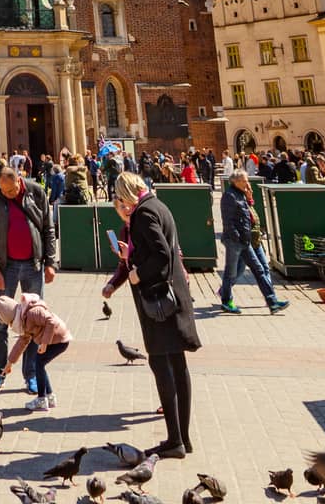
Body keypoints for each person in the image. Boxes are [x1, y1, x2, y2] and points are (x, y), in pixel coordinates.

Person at [113, 171, 199, 459]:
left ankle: (175, 439)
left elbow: (160, 254)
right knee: (177, 364)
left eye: (121, 198)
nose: (122, 205)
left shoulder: (144, 213)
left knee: (162, 364)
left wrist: (136, 273)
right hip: (174, 295)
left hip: (159, 300)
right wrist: (131, 257)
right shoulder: (159, 206)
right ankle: (181, 439)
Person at [0, 164, 57, 395]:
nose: (8, 194)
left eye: (11, 191)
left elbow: (48, 228)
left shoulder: (36, 192)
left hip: (34, 265)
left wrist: (51, 262)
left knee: (35, 322)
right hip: (7, 267)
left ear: (19, 181)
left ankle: (32, 374)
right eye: (3, 191)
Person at [218, 169, 288, 316]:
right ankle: (226, 301)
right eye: (244, 181)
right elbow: (228, 221)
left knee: (259, 270)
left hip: (245, 241)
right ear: (236, 181)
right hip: (234, 242)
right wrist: (237, 237)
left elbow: (246, 215)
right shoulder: (229, 196)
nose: (247, 183)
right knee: (231, 273)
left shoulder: (240, 194)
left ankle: (272, 302)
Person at [0, 290, 72, 413]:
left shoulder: (32, 312)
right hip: (56, 340)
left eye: (10, 322)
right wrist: (9, 364)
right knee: (40, 364)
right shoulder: (24, 319)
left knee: (39, 363)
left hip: (59, 339)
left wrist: (44, 343)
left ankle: (42, 399)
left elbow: (50, 321)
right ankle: (49, 397)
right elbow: (22, 343)